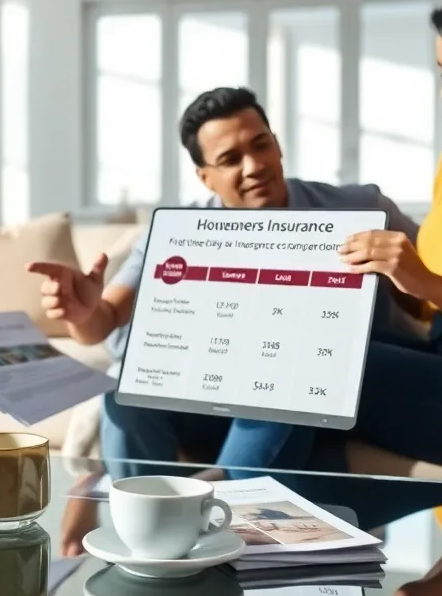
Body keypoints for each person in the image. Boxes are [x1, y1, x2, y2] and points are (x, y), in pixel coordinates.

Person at [28, 86, 419, 498]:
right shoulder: (175, 234)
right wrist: (82, 310)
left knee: (284, 373)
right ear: (205, 177)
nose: (254, 166)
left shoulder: (359, 207)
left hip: (317, 392)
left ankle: (208, 507)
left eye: (261, 145)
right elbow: (102, 322)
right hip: (207, 399)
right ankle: (140, 521)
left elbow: (441, 273)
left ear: (277, 145)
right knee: (122, 400)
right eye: (230, 160)